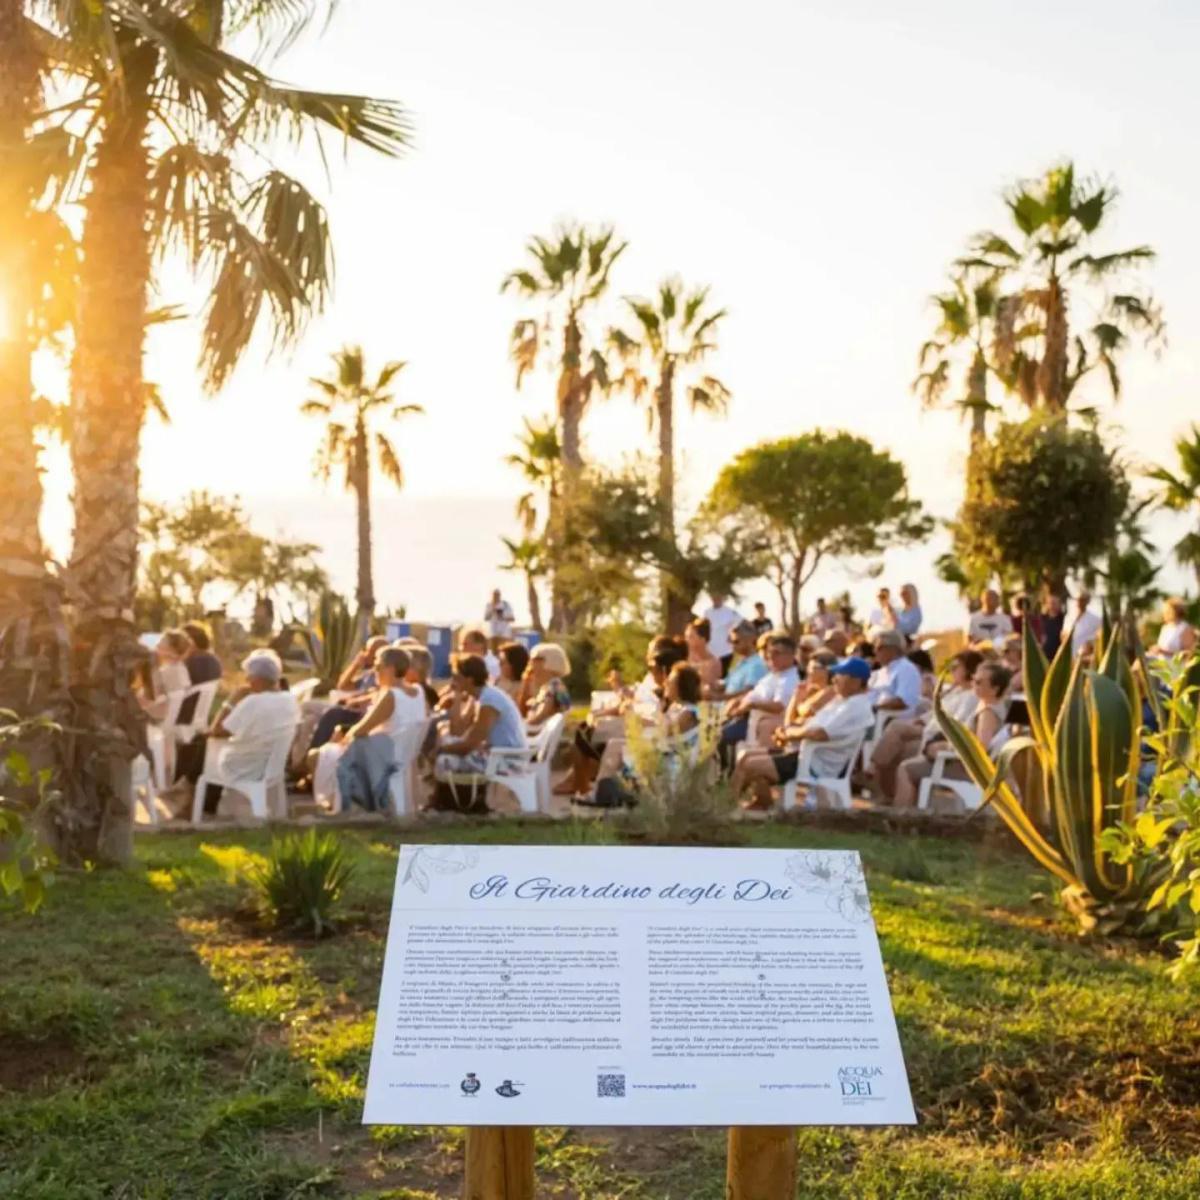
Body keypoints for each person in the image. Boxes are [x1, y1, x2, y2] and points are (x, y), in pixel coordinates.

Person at [732, 656, 874, 811]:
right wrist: (787, 731)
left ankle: (727, 805)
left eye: (840, 675)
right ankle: (760, 802)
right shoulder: (843, 701)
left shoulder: (854, 706)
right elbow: (811, 725)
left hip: (814, 761)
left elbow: (819, 733)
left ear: (855, 681)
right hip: (804, 752)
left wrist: (789, 734)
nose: (835, 679)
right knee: (745, 756)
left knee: (750, 765)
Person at [311, 647, 427, 811]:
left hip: (380, 759)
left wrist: (345, 739)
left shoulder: (391, 695)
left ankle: (338, 805)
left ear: (390, 669)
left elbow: (360, 730)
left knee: (317, 756)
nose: (374, 671)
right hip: (402, 757)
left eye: (378, 667)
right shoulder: (419, 692)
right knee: (330, 750)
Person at [190, 650, 300, 816]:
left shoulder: (253, 702)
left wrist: (233, 699)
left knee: (202, 743)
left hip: (245, 767)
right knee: (203, 744)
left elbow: (216, 730)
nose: (246, 681)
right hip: (272, 767)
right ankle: (194, 796)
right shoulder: (289, 700)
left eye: (248, 677)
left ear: (256, 680)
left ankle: (194, 800)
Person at [894, 662, 1011, 809]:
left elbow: (980, 747)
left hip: (966, 769)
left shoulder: (988, 712)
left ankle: (900, 819)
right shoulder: (989, 705)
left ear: (995, 689)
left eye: (979, 682)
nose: (973, 683)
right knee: (915, 761)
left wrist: (946, 747)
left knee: (905, 769)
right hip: (964, 764)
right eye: (974, 679)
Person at [870, 650, 982, 802]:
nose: (952, 670)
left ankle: (874, 767)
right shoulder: (956, 691)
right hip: (928, 731)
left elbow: (955, 724)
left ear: (969, 670)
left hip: (937, 737)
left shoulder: (971, 697)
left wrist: (927, 725)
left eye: (957, 667)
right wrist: (922, 720)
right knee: (897, 746)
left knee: (896, 728)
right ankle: (887, 795)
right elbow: (935, 711)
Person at [431, 654, 527, 812]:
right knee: (448, 744)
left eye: (456, 677)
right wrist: (456, 697)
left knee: (445, 759)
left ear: (469, 680)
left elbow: (470, 744)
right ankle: (451, 801)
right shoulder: (483, 696)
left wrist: (441, 750)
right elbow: (459, 729)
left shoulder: (489, 701)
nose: (453, 681)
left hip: (507, 759)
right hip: (499, 753)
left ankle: (451, 804)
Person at [717, 634, 800, 770]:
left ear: (790, 655)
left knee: (726, 740)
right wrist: (738, 702)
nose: (771, 657)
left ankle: (725, 779)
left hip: (769, 733)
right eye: (769, 653)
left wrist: (752, 705)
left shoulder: (788, 680)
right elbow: (754, 694)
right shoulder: (772, 676)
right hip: (752, 727)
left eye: (777, 653)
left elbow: (779, 706)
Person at [707, 620, 768, 702]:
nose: (733, 646)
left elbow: (748, 693)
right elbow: (726, 684)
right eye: (731, 642)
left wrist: (720, 697)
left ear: (750, 640)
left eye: (736, 642)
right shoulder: (741, 663)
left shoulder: (757, 664)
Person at [139, 629, 192, 721]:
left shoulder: (167, 672)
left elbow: (146, 700)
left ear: (172, 649)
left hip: (153, 719)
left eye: (163, 640)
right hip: (169, 718)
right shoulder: (180, 669)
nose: (159, 642)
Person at [869, 629, 922, 717]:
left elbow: (904, 701)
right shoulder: (879, 672)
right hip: (872, 718)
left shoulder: (906, 669)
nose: (875, 651)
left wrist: (873, 708)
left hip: (892, 722)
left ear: (893, 648)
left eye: (879, 647)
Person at [520, 642, 572, 728]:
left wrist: (524, 724)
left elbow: (543, 714)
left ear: (549, 662)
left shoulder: (553, 686)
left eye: (535, 660)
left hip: (543, 735)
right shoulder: (552, 685)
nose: (531, 664)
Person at [702, 594, 742, 676]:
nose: (716, 599)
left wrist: (733, 636)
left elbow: (740, 623)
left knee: (724, 675)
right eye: (714, 597)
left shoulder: (730, 612)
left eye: (718, 597)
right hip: (710, 650)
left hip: (725, 650)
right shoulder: (707, 612)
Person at [684, 618, 723, 694]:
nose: (686, 640)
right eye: (686, 637)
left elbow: (712, 688)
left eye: (691, 637)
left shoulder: (714, 662)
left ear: (703, 639)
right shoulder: (684, 658)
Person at [1064, 591, 1102, 658]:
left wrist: (1090, 647)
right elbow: (1064, 634)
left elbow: (1098, 637)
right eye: (1078, 599)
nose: (1079, 601)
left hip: (1085, 658)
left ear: (1088, 601)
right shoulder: (1069, 617)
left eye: (1082, 600)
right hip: (1069, 657)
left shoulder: (1095, 619)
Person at [1039, 592, 1065, 659]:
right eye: (1051, 603)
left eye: (1055, 603)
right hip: (1043, 655)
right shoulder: (1041, 618)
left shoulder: (1064, 620)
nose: (1052, 605)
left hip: (1058, 656)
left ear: (1059, 604)